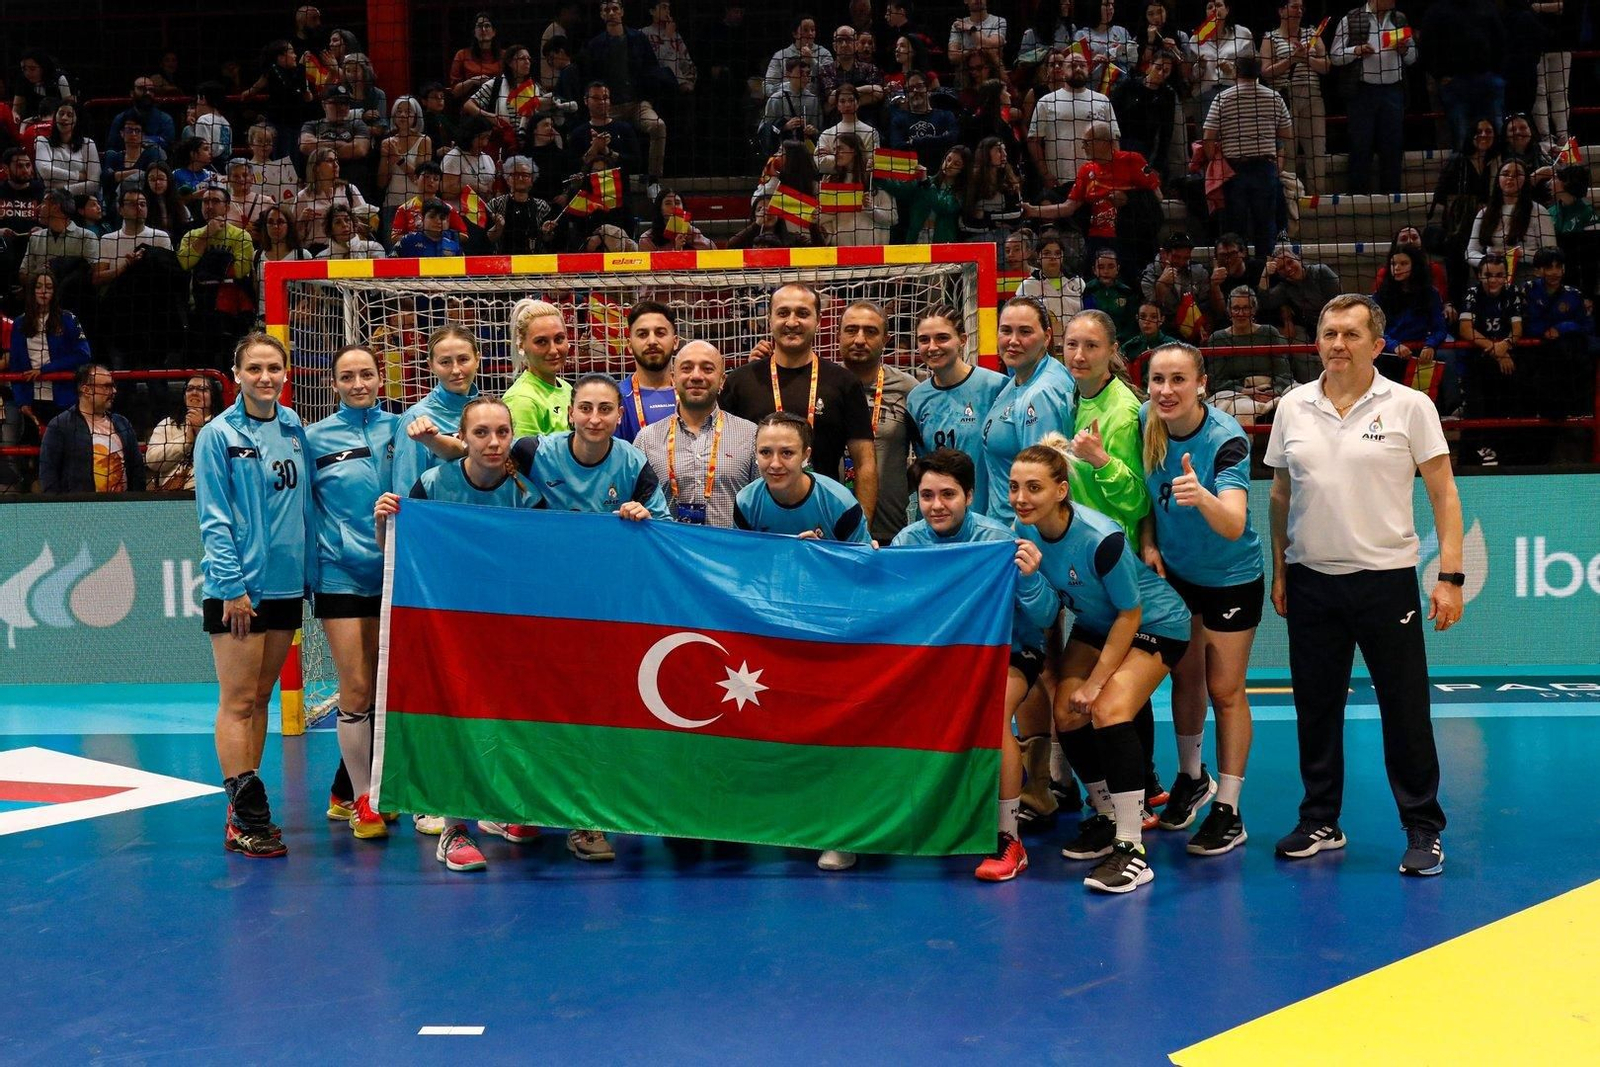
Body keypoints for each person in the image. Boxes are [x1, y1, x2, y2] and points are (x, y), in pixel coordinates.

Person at [1267, 293, 1464, 878]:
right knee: (1316, 709)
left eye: (1352, 335)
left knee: (1405, 711)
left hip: (1385, 583)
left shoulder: (1410, 406)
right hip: (1311, 582)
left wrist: (1449, 576)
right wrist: (1281, 571)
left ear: (1377, 345)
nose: (1337, 345)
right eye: (1329, 333)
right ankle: (1320, 820)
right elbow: (1280, 495)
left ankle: (1423, 827)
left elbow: (1444, 495)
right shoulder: (1292, 406)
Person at [1013, 435, 1191, 894]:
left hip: (1155, 622)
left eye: (1033, 488)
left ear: (1061, 491)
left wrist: (1096, 682)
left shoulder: (1100, 537)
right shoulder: (1024, 532)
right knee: (1066, 711)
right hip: (1098, 622)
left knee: (1109, 708)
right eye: (1014, 487)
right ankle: (1109, 815)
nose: (1020, 498)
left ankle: (1132, 849)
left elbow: (1130, 614)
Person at [374, 396, 545, 873]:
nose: (493, 442)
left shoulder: (526, 488)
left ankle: (504, 811)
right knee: (455, 716)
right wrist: (381, 521)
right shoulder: (433, 483)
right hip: (450, 622)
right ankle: (453, 827)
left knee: (511, 714)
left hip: (510, 621)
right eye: (481, 433)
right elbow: (396, 552)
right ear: (462, 438)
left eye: (502, 433)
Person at [890, 448, 1058, 881]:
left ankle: (1009, 839)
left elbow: (1042, 619)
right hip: (939, 659)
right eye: (927, 496)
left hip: (1008, 652)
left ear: (969, 495)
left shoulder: (996, 542)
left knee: (993, 713)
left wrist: (1031, 579)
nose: (937, 505)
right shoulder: (907, 544)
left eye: (948, 494)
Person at [194, 334, 315, 859]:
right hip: (241, 590)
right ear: (237, 373)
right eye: (255, 369)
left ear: (285, 373)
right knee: (238, 701)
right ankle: (245, 816)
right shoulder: (218, 435)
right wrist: (233, 588)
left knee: (261, 699)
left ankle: (245, 808)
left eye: (274, 368)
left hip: (288, 586)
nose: (266, 377)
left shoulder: (293, 428)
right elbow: (214, 520)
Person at [1138, 342, 1262, 853]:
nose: (1166, 391)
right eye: (1158, 380)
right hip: (1176, 576)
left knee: (1225, 690)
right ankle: (1191, 777)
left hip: (1230, 577)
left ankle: (1229, 809)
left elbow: (1233, 524)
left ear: (1201, 384)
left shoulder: (1226, 440)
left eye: (1178, 380)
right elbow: (1145, 499)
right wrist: (1147, 541)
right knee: (1183, 679)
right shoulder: (1146, 422)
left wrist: (1201, 494)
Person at [304, 344, 401, 840]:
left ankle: (349, 791)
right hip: (341, 575)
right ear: (334, 385)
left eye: (367, 374)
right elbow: (302, 509)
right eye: (348, 377)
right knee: (357, 687)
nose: (359, 383)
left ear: (380, 379)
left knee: (385, 689)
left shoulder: (400, 429)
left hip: (395, 572)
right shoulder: (313, 438)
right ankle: (364, 798)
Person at [720, 284, 878, 525]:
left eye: (802, 313)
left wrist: (860, 525)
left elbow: (864, 461)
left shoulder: (844, 383)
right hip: (758, 520)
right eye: (783, 313)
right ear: (769, 318)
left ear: (818, 320)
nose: (792, 322)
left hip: (826, 520)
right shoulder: (740, 382)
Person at [633, 340, 760, 527]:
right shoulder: (646, 439)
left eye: (707, 369)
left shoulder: (751, 436)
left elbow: (764, 506)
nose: (696, 376)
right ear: (673, 379)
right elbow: (635, 504)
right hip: (668, 553)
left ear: (722, 380)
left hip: (729, 554)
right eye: (686, 369)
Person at [978, 296, 1076, 521]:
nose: (1013, 340)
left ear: (1047, 337)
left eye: (1025, 332)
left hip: (1019, 532)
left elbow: (1041, 485)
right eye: (1006, 331)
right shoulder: (1020, 377)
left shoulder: (1041, 395)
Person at [836, 301, 918, 542]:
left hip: (890, 529)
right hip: (829, 527)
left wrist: (899, 487)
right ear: (838, 335)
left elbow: (927, 456)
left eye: (871, 331)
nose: (860, 339)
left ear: (886, 339)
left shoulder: (908, 389)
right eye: (851, 330)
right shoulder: (823, 385)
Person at [1202, 56, 1291, 264]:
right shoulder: (1274, 97)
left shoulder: (1223, 97)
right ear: (1259, 72)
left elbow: (1208, 137)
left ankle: (1237, 272)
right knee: (1265, 227)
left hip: (1235, 169)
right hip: (1264, 167)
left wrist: (1215, 163)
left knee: (1235, 228)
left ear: (1237, 72)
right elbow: (1286, 133)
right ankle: (1264, 274)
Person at [581, 0, 672, 188]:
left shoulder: (638, 39)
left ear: (622, 12)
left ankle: (654, 179)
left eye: (615, 9)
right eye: (607, 10)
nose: (612, 12)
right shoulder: (595, 45)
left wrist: (648, 95)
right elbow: (590, 78)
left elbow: (652, 69)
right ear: (602, 15)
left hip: (637, 103)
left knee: (658, 126)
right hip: (610, 107)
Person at [1330, 0, 1417, 194]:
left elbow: (1412, 57)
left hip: (1393, 92)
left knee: (1393, 147)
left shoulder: (1399, 19)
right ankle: (1358, 196)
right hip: (1363, 93)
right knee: (1361, 146)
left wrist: (1405, 50)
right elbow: (1335, 56)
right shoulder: (1350, 19)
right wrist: (1356, 50)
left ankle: (1392, 195)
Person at [391, 325, 483, 496]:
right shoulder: (416, 418)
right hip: (438, 521)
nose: (456, 370)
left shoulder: (489, 412)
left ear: (477, 359)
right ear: (431, 365)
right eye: (445, 362)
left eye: (463, 359)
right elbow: (407, 494)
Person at [1456, 257, 1525, 466]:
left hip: (1503, 364)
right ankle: (1467, 462)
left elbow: (1518, 331)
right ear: (1479, 276)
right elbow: (1465, 329)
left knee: (1506, 408)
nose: (1493, 280)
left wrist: (1504, 347)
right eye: (1487, 275)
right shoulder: (1472, 293)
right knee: (1475, 410)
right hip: (1476, 363)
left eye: (1498, 275)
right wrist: (1498, 351)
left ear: (1505, 277)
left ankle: (1502, 457)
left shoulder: (1512, 293)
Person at [38, 363, 143, 494]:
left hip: (122, 508)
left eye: (113, 386)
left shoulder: (122, 423)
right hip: (80, 509)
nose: (114, 391)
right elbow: (48, 474)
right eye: (107, 386)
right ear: (86, 390)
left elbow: (137, 469)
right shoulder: (60, 425)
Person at [1260, 0, 1330, 196]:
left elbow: (1326, 66)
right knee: (1288, 152)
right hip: (1285, 98)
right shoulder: (1270, 38)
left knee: (1317, 151)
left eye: (1302, 8)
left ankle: (1317, 196)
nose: (1299, 11)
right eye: (1294, 7)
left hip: (1312, 97)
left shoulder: (1313, 34)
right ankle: (1291, 198)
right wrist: (1292, 59)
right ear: (1281, 10)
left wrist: (1306, 57)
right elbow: (1265, 72)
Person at [1027, 50, 1118, 196]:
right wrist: (1045, 174)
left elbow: (1114, 140)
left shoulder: (1102, 100)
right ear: (1063, 71)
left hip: (1097, 180)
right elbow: (1033, 140)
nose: (1078, 69)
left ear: (1088, 70)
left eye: (1082, 65)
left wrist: (1113, 173)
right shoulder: (1046, 101)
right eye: (1072, 66)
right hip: (1060, 182)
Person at [9, 269, 91, 429]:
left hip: (64, 398)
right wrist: (22, 402)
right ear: (32, 291)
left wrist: (45, 370)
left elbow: (83, 354)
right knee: (33, 449)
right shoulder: (19, 323)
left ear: (55, 291)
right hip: (32, 399)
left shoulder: (68, 319)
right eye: (39, 286)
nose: (43, 291)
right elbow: (15, 365)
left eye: (48, 287)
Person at [1521, 247, 1594, 418]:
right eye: (1548, 267)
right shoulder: (1528, 291)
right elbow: (1527, 325)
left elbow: (1587, 327)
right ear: (1537, 271)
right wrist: (1546, 331)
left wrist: (1563, 328)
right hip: (1535, 357)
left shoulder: (1574, 295)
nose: (1554, 272)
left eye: (1558, 267)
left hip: (1566, 360)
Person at [1206, 286, 1293, 425]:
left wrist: (1274, 391)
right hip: (1237, 393)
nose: (1241, 313)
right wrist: (1246, 391)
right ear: (1229, 311)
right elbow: (1217, 382)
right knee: (1244, 410)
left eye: (1246, 308)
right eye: (1236, 308)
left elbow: (1284, 373)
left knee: (1300, 396)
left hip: (1271, 389)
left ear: (1253, 310)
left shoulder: (1270, 333)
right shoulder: (1218, 339)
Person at [1464, 160, 1556, 276]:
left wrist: (1520, 254)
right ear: (1498, 180)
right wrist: (1489, 260)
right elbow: (1470, 252)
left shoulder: (1538, 211)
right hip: (1493, 276)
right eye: (1506, 174)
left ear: (1526, 180)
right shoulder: (1484, 213)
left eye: (1517, 174)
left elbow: (1551, 254)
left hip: (1527, 273)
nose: (1511, 178)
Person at [502, 298, 572, 438]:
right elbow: (525, 458)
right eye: (541, 342)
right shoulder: (521, 400)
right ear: (521, 345)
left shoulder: (566, 388)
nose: (553, 350)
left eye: (559, 339)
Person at [1375, 246, 1448, 375]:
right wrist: (1394, 345)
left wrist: (1430, 345)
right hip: (1387, 357)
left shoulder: (1430, 294)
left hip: (1419, 357)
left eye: (1403, 264)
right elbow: (1375, 330)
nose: (1397, 268)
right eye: (1393, 264)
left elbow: (1440, 329)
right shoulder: (1381, 295)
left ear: (1415, 266)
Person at [617, 299, 680, 442]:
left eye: (660, 333)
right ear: (629, 345)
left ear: (675, 341)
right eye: (642, 334)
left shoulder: (692, 394)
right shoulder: (616, 399)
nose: (652, 341)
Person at [147, 374, 223, 490]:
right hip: (172, 496)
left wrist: (201, 433)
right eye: (190, 389)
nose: (194, 392)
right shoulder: (168, 424)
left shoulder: (223, 425)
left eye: (202, 389)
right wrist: (186, 441)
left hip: (211, 492)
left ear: (213, 396)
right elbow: (152, 462)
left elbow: (223, 462)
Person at [1259, 249, 1342, 342]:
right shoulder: (1285, 287)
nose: (1288, 268)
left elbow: (1339, 304)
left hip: (1336, 322)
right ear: (1279, 273)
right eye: (1282, 268)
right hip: (1310, 330)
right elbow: (1265, 302)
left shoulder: (1321, 272)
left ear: (1299, 259)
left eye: (1290, 262)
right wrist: (1265, 275)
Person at [1141, 231, 1211, 341]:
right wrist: (1160, 286)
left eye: (1186, 258)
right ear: (1163, 253)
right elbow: (1150, 312)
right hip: (1163, 333)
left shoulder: (1199, 272)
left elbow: (1205, 305)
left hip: (1194, 332)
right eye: (1176, 257)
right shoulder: (1149, 276)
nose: (1181, 262)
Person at [34, 103, 100, 200]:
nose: (64, 118)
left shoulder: (87, 144)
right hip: (51, 201)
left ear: (77, 120)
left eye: (70, 115)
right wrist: (78, 176)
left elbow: (94, 184)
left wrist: (60, 191)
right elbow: (45, 171)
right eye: (61, 113)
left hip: (79, 200)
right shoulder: (42, 141)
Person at [107, 76, 177, 150]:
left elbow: (168, 144)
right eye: (142, 89)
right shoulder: (120, 118)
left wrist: (135, 139)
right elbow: (112, 145)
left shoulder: (165, 119)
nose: (147, 93)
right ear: (132, 93)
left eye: (151, 90)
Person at [392, 200, 460, 258]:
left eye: (442, 218)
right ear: (423, 218)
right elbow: (390, 265)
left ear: (447, 221)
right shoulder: (407, 241)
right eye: (432, 217)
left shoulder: (454, 246)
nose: (438, 221)